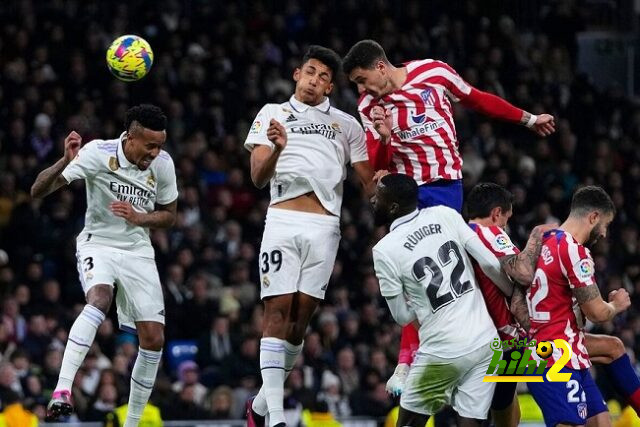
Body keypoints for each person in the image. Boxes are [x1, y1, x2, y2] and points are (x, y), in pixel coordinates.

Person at [342, 39, 557, 392]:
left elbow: (477, 99)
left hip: (448, 189)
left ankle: (518, 344)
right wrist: (382, 136)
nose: (361, 89)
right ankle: (406, 362)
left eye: (363, 79)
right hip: (410, 194)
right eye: (356, 84)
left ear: (381, 66)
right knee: (422, 272)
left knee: (478, 266)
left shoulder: (434, 72)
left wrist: (528, 118)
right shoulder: (369, 105)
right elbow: (377, 173)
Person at [243, 45, 374, 427]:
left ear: (330, 87)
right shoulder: (272, 114)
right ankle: (276, 419)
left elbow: (368, 181)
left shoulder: (347, 125)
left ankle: (261, 406)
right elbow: (256, 177)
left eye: (323, 77)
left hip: (326, 227)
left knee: (299, 325)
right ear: (297, 74)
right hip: (283, 220)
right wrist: (278, 149)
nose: (315, 80)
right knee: (277, 314)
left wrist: (384, 147)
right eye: (310, 72)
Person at [30, 104, 178, 426]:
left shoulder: (163, 164)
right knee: (99, 298)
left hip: (138, 250)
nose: (155, 152)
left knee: (154, 339)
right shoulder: (98, 152)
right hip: (99, 243)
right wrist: (64, 162)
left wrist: (141, 218)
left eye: (160, 145)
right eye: (150, 145)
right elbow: (38, 190)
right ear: (131, 138)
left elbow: (169, 214)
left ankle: (133, 422)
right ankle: (62, 390)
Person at [371, 173, 513, 427]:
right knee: (470, 423)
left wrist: (419, 300)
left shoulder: (384, 250)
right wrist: (512, 294)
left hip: (443, 351)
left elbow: (402, 317)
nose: (372, 200)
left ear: (393, 207)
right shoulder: (444, 214)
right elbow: (491, 263)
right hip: (486, 343)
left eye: (378, 197)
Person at [525, 186, 630, 427]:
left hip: (568, 351)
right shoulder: (574, 251)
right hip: (552, 356)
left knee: (602, 421)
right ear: (593, 217)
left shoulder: (541, 241)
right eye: (605, 224)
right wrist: (616, 304)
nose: (604, 233)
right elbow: (597, 312)